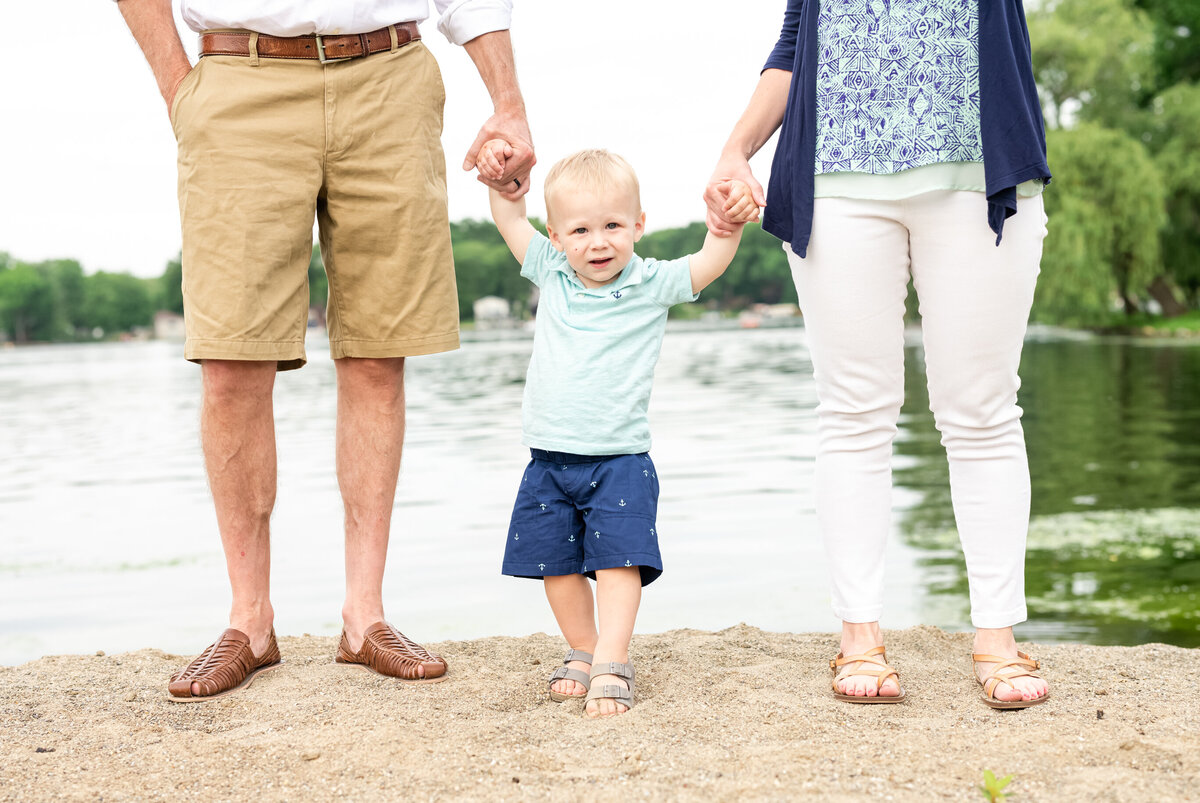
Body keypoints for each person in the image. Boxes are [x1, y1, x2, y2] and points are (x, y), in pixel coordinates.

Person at [115, 0, 535, 701]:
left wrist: (508, 100)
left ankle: (363, 617)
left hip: (391, 76)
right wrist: (178, 87)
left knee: (378, 351)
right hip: (237, 79)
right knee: (230, 359)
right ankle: (248, 621)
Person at [704, 0, 1052, 708]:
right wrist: (737, 147)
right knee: (854, 412)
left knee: (982, 410)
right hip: (837, 186)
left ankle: (998, 637)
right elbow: (797, 40)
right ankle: (859, 637)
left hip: (979, 172)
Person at [479, 144, 756, 716]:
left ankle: (612, 655)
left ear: (638, 225)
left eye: (612, 225)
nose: (597, 242)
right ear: (556, 236)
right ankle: (581, 649)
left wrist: (725, 228)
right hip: (549, 460)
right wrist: (507, 191)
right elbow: (509, 219)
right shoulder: (551, 271)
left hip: (619, 459)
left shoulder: (652, 282)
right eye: (579, 230)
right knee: (554, 567)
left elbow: (707, 262)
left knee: (617, 562)